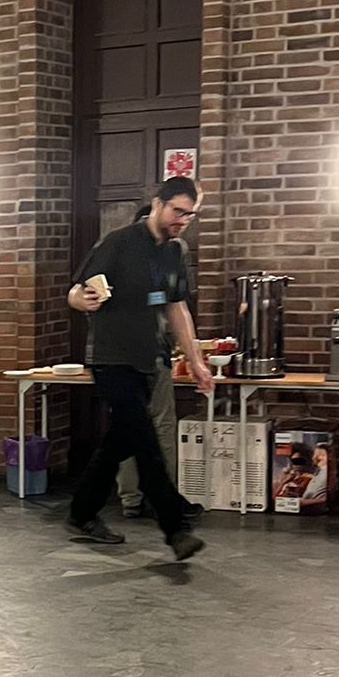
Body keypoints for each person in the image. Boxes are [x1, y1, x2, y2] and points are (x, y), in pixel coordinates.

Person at [65, 176, 213, 560]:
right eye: (177, 211)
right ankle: (175, 527)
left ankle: (82, 512)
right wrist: (83, 301)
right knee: (145, 441)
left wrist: (195, 361)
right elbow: (76, 291)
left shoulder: (175, 252)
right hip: (111, 359)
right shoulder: (119, 242)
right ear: (158, 203)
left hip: (150, 361)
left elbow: (177, 309)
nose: (182, 220)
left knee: (120, 441)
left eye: (190, 215)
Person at [117, 201, 202, 523]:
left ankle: (132, 498)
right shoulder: (165, 257)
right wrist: (192, 358)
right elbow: (176, 308)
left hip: (126, 359)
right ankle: (159, 498)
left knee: (127, 427)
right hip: (147, 356)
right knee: (160, 427)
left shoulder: (123, 256)